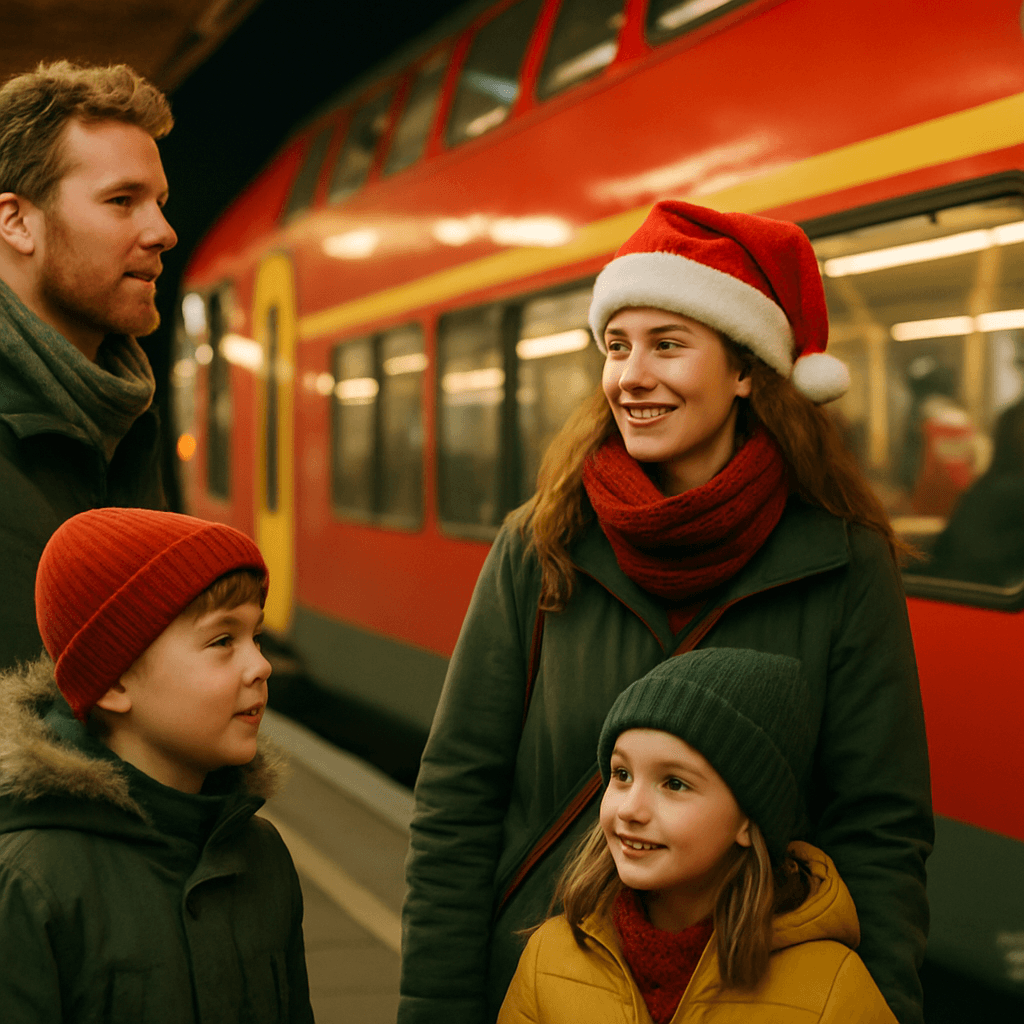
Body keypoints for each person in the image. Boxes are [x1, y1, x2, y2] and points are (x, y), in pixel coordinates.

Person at [400, 201, 932, 1024]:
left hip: (763, 995)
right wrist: (434, 1007)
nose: (629, 376)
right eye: (616, 346)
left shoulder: (842, 559)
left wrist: (882, 1007)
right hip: (551, 988)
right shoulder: (542, 542)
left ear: (747, 369)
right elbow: (457, 796)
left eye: (668, 345)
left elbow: (880, 823)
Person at [0, 507, 314, 1023]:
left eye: (255, 637)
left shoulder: (263, 857)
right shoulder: (30, 884)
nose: (261, 665)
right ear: (116, 681)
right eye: (222, 641)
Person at [498, 648, 897, 1024]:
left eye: (674, 783)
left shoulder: (832, 992)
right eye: (621, 775)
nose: (629, 809)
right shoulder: (547, 960)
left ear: (749, 819)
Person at [0, 61, 177, 670]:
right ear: (17, 223)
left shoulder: (126, 419)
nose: (163, 231)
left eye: (159, 202)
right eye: (122, 201)